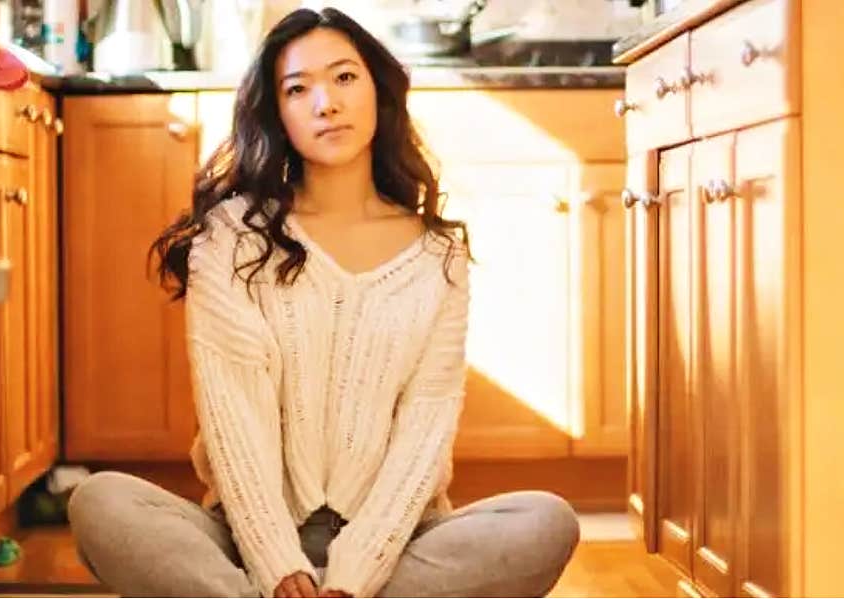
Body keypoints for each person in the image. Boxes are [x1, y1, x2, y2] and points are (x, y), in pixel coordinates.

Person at [68, 7, 580, 598]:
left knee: (545, 521)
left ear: (377, 92)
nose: (325, 103)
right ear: (278, 114)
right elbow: (236, 420)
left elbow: (425, 429)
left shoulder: (437, 257)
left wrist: (357, 576)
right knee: (101, 501)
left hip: (399, 543)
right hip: (248, 536)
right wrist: (279, 565)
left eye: (344, 78)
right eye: (298, 88)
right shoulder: (232, 239)